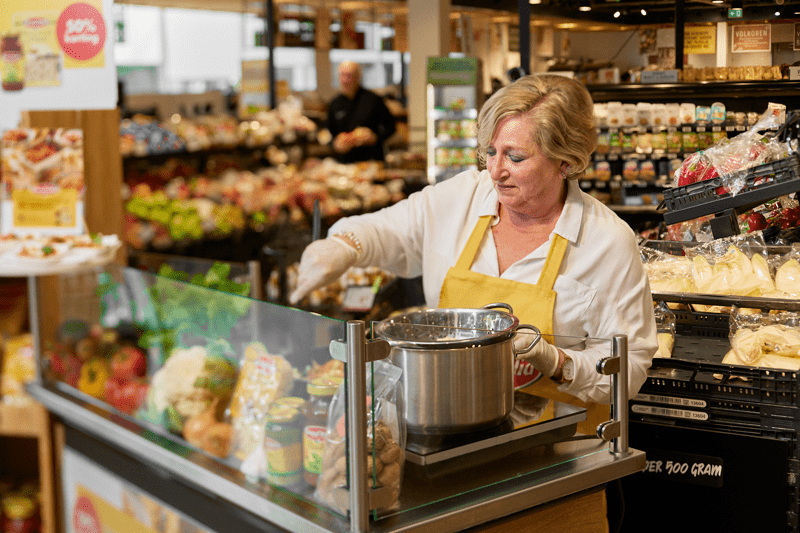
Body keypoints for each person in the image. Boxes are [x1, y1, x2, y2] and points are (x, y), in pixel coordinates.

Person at [292, 74, 657, 433]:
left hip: (559, 450)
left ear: (565, 161)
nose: (496, 172)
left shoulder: (606, 242)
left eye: (515, 157)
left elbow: (630, 368)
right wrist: (341, 247)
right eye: (491, 152)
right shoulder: (461, 199)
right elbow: (383, 230)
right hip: (451, 428)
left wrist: (557, 361)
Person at [325, 61, 397, 163]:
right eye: (342, 75)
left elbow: (391, 126)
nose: (345, 80)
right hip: (344, 164)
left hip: (372, 161)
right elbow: (326, 133)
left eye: (349, 76)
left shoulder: (373, 100)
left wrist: (375, 137)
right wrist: (334, 144)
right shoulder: (334, 103)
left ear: (358, 77)